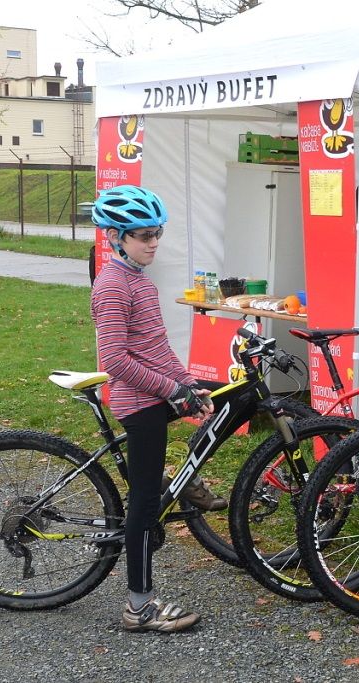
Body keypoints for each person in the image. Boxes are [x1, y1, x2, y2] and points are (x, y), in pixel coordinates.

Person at [91, 185, 222, 632]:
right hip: (135, 400)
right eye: (143, 235)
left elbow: (156, 347)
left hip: (155, 393)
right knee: (144, 506)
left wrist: (187, 385)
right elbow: (114, 361)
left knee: (225, 396)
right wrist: (172, 391)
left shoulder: (139, 281)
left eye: (157, 233)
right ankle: (139, 607)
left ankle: (182, 481)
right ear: (115, 236)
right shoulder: (112, 285)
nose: (153, 243)